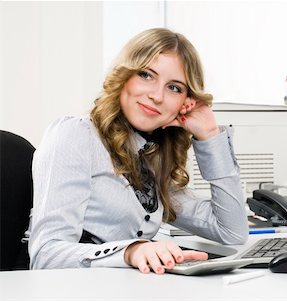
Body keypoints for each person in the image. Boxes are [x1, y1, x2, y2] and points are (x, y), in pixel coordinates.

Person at [29, 28, 249, 274]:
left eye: (174, 88)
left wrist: (209, 136)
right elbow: (45, 255)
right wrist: (131, 251)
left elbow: (232, 231)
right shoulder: (75, 135)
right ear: (124, 76)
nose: (156, 96)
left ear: (185, 101)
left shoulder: (153, 158)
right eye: (146, 75)